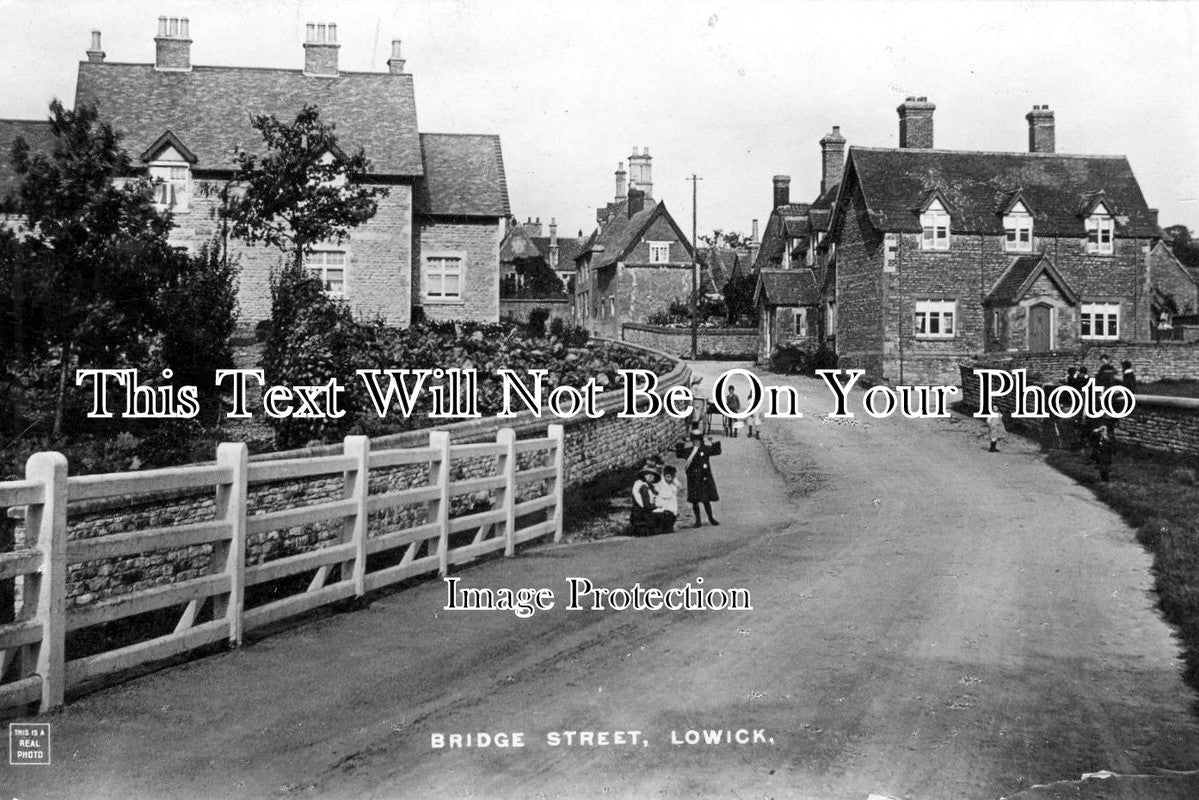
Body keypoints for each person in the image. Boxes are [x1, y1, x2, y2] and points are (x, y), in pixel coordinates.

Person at [675, 425, 721, 527]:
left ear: (701, 440)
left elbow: (717, 451)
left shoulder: (705, 449)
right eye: (694, 440)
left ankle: (711, 518)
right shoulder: (689, 450)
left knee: (706, 501)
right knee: (695, 501)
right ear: (692, 440)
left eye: (698, 440)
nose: (696, 442)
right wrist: (682, 442)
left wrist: (713, 441)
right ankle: (698, 520)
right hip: (693, 478)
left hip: (704, 478)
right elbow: (679, 454)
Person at [629, 464, 661, 536]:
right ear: (644, 476)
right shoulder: (643, 488)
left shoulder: (645, 485)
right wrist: (656, 506)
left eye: (653, 477)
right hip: (641, 515)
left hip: (639, 514)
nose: (652, 478)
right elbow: (646, 505)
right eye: (650, 476)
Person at [653, 465, 679, 531]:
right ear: (664, 475)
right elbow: (659, 493)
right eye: (668, 476)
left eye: (672, 477)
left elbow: (678, 487)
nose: (669, 479)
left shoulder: (673, 483)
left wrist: (673, 482)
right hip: (661, 505)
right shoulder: (659, 482)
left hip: (670, 507)